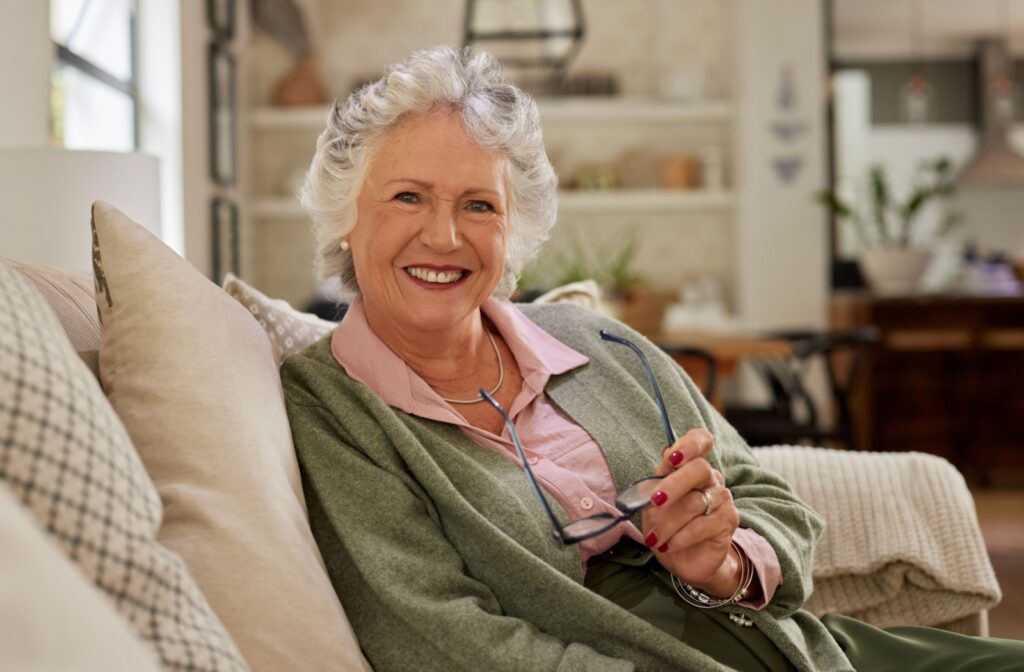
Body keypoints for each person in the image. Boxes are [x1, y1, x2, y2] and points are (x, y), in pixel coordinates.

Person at [281, 45, 1023, 672]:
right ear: (345, 219)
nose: (444, 237)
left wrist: (724, 566)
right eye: (408, 197)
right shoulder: (330, 404)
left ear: (514, 234)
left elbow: (769, 498)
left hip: (801, 647)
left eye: (479, 205)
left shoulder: (595, 341)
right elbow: (437, 638)